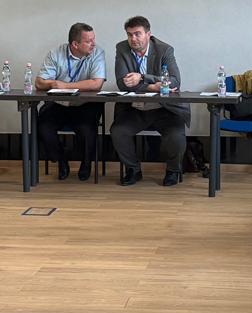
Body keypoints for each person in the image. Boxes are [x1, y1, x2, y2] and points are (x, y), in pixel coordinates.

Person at [110, 16, 186, 187]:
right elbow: (122, 84)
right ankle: (133, 169)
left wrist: (143, 77)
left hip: (164, 109)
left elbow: (175, 81)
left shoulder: (164, 50)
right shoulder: (121, 48)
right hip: (135, 109)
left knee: (176, 136)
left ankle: (173, 170)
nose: (133, 39)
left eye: (137, 34)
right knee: (118, 132)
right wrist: (153, 86)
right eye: (129, 34)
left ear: (148, 34)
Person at [36, 23, 107, 181]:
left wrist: (65, 85)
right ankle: (61, 159)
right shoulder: (55, 54)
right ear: (75, 44)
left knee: (86, 129)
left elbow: (96, 84)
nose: (93, 44)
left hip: (85, 104)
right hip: (59, 104)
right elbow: (39, 83)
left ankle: (86, 164)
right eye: (88, 41)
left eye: (93, 39)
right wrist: (53, 84)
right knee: (44, 127)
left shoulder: (97, 53)